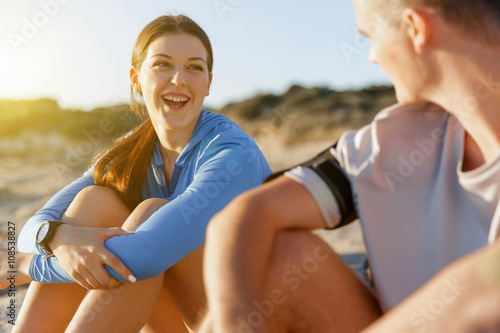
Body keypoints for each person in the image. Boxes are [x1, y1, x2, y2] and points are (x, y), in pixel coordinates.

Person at [198, 0, 500, 332]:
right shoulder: (394, 139)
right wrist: (234, 322)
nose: (371, 56)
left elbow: (483, 290)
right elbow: (248, 214)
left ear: (416, 29)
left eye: (370, 34)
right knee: (279, 260)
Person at [2, 14, 271, 333]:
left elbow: (142, 258)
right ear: (135, 78)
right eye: (163, 64)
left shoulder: (232, 153)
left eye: (194, 67)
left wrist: (23, 265)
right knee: (95, 202)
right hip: (186, 320)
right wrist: (59, 237)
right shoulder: (130, 153)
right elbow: (33, 229)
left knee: (149, 214)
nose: (179, 80)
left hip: (254, 320)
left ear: (209, 82)